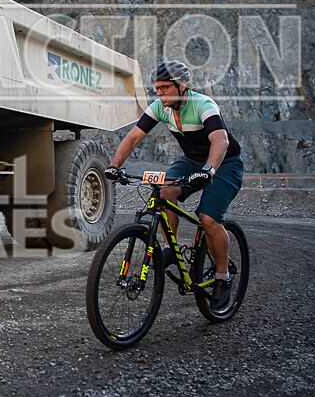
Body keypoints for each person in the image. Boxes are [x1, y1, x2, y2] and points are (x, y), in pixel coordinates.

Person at [104, 60, 244, 310]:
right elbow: (134, 136)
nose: (159, 93)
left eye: (165, 88)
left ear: (182, 86)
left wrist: (209, 171)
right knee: (164, 192)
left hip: (225, 162)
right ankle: (171, 247)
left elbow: (220, 140)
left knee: (208, 219)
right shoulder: (160, 107)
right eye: (156, 88)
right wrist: (114, 165)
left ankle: (223, 277)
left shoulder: (203, 105)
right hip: (191, 160)